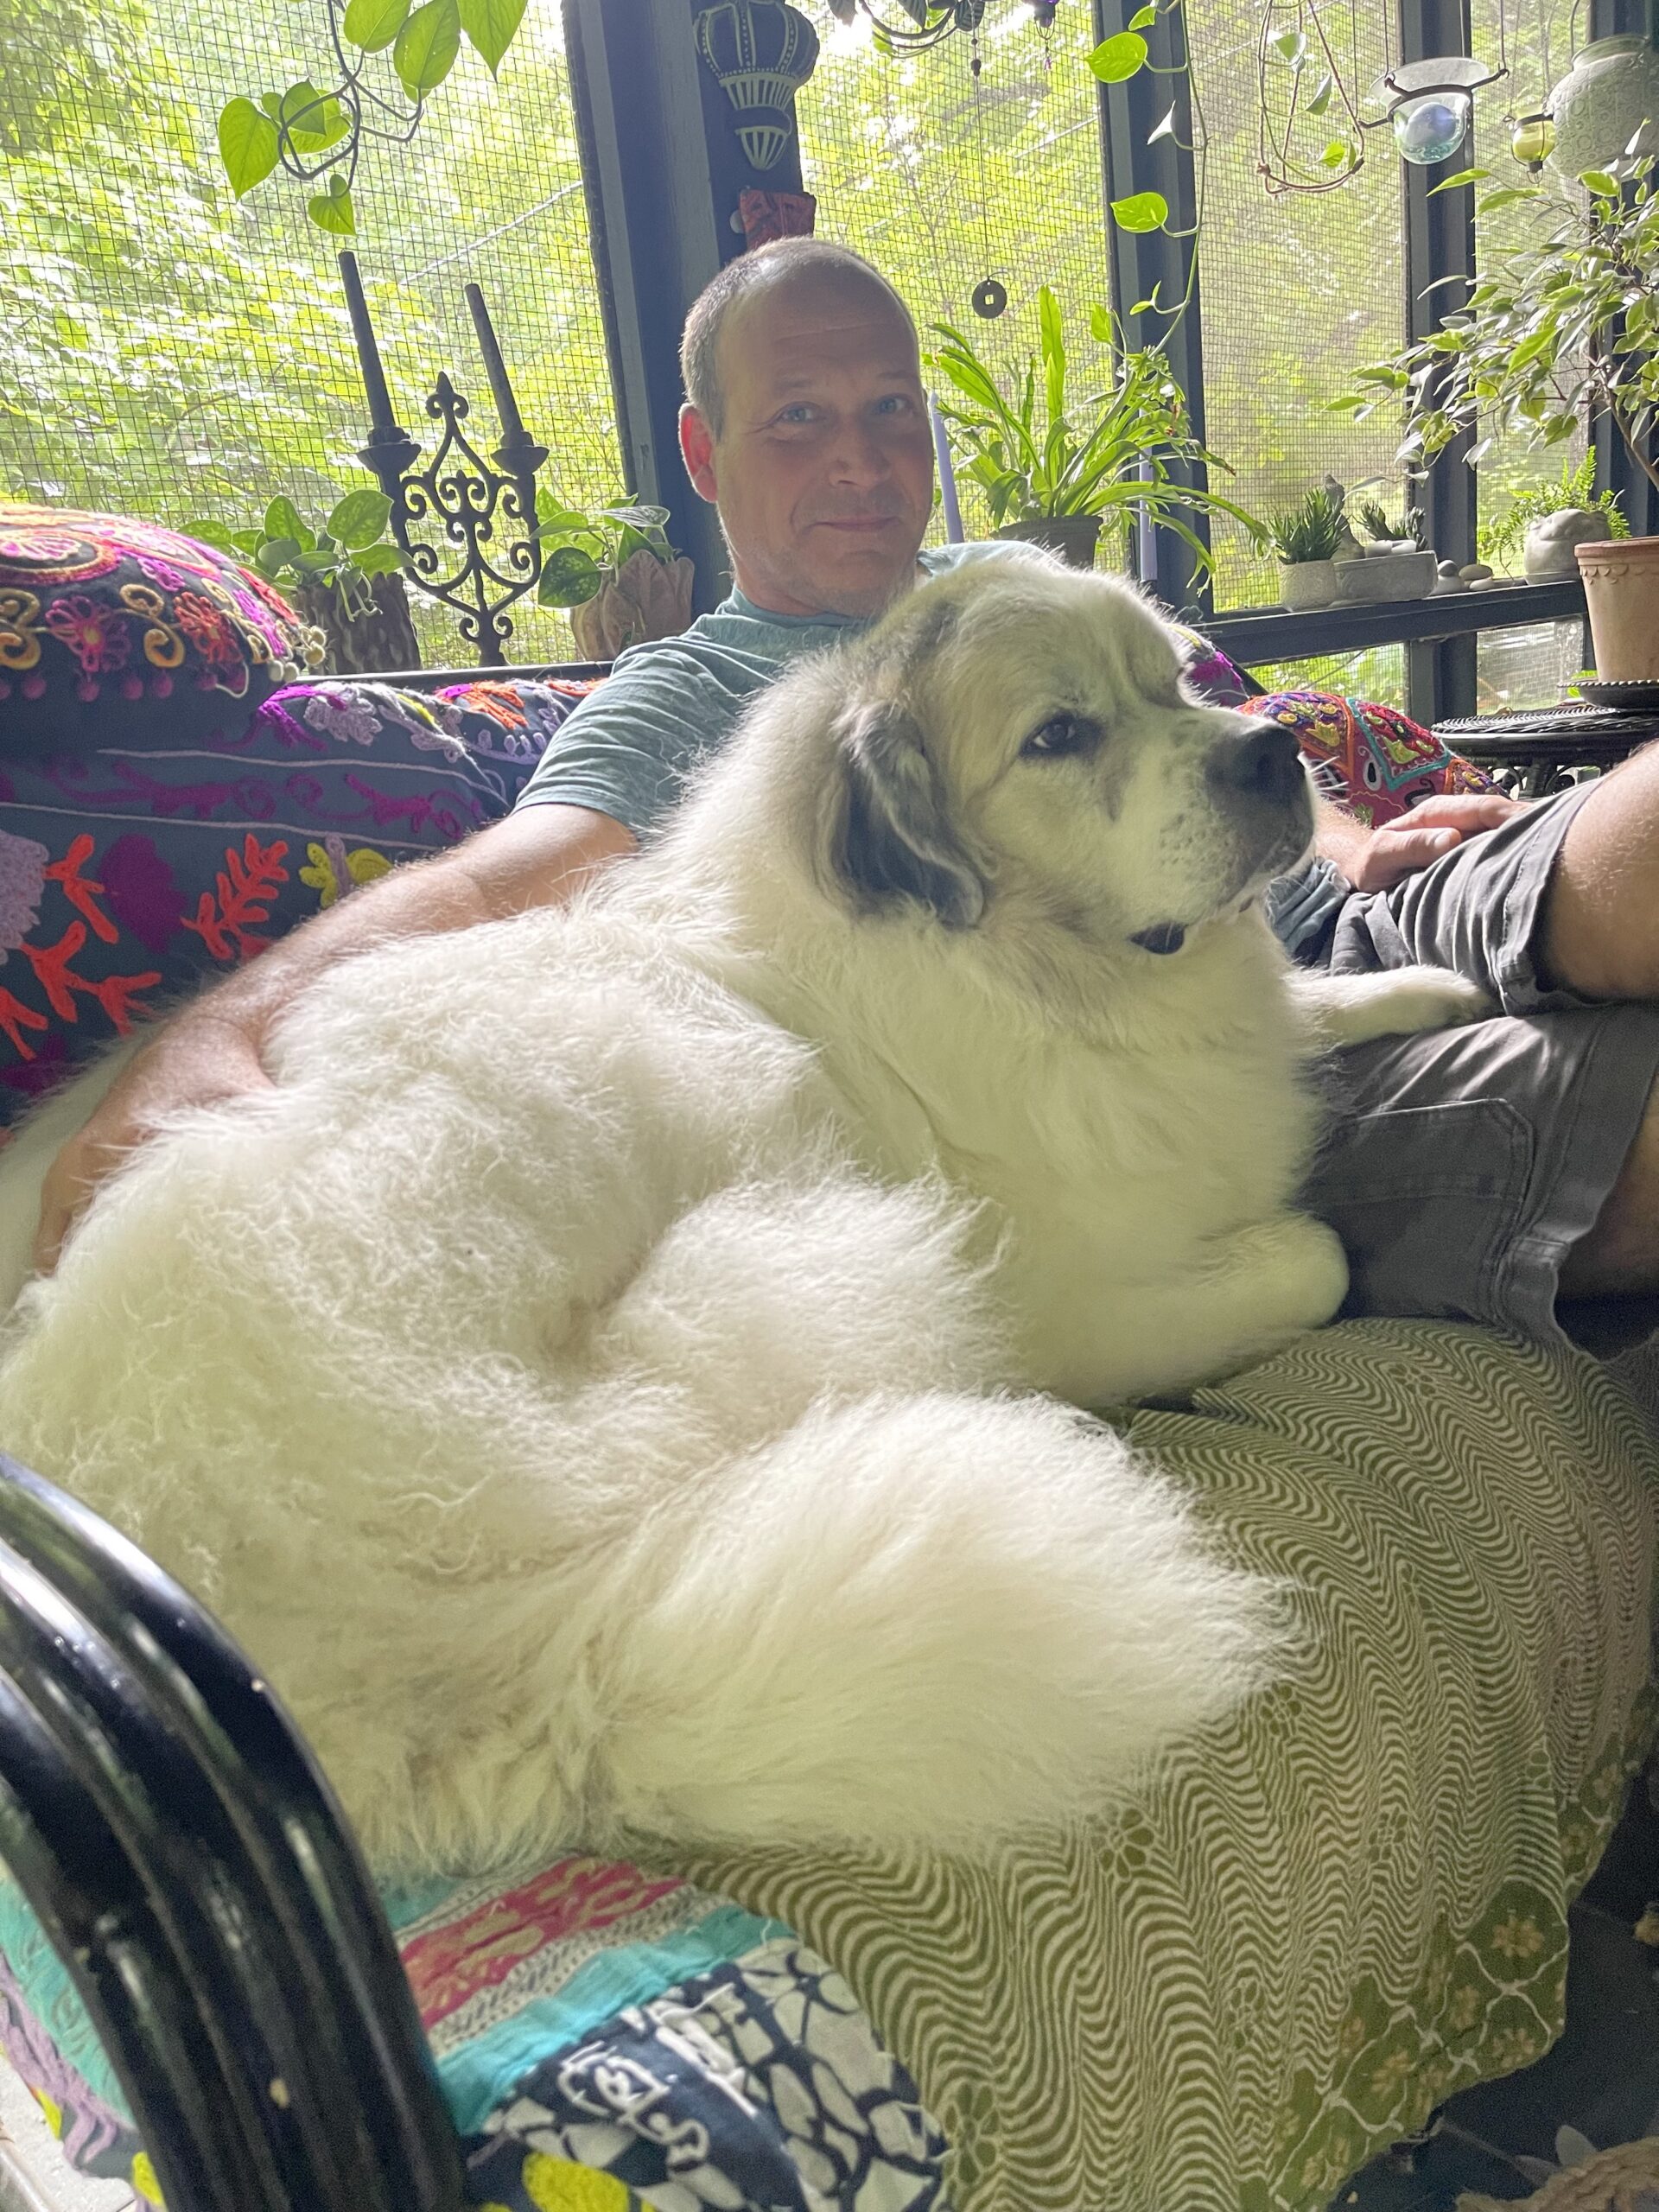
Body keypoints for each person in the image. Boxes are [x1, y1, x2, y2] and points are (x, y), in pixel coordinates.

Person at [31, 239, 1659, 1351]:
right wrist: (208, 1039)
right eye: (800, 421)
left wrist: (1363, 839)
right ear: (704, 453)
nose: (862, 462)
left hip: (1338, 916)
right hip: (1169, 1057)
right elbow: (503, 881)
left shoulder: (1021, 580)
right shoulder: (696, 704)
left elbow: (1208, 724)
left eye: (890, 412)